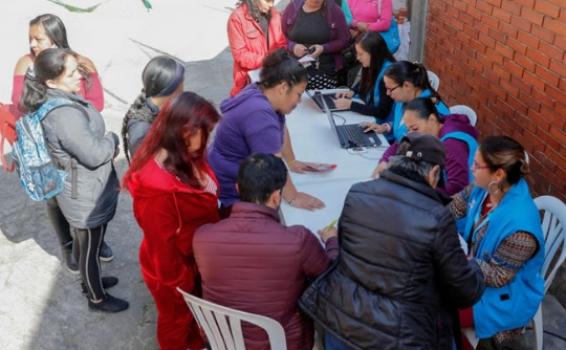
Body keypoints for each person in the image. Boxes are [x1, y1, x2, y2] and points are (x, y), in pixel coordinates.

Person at [300, 133, 485, 349]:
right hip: (399, 336)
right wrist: (474, 267)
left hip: (341, 322)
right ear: (434, 172)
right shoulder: (436, 217)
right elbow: (464, 291)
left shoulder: (358, 193)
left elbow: (346, 253)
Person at [194, 153, 338, 350]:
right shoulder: (297, 240)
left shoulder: (202, 237)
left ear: (237, 188)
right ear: (276, 196)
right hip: (282, 342)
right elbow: (331, 275)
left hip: (223, 340)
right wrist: (332, 241)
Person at [20, 48, 126, 312]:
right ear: (51, 81)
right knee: (89, 246)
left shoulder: (58, 99)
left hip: (79, 187)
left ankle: (93, 282)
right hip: (83, 193)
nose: (79, 76)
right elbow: (94, 154)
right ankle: (96, 297)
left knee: (85, 241)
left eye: (76, 69)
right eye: (71, 73)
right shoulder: (64, 115)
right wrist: (112, 140)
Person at [124, 92, 221, 349]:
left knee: (188, 318)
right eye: (204, 132)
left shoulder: (182, 156)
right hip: (174, 271)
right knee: (175, 320)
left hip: (192, 258)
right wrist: (181, 286)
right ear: (184, 132)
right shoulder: (156, 191)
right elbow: (162, 250)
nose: (208, 139)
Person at [449, 136, 544, 350]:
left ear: (499, 174)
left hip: (505, 295)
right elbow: (455, 207)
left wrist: (456, 260)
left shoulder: (521, 228)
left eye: (476, 165)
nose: (471, 168)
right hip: (473, 269)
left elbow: (498, 276)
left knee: (439, 307)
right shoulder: (483, 187)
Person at [208, 48, 328, 215]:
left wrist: (292, 160)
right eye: (298, 94)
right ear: (283, 87)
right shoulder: (260, 115)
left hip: (224, 168)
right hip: (230, 187)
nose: (299, 101)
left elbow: (281, 127)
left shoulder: (263, 92)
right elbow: (273, 165)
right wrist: (293, 196)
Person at [375, 98, 478, 196]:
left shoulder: (452, 144)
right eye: (408, 129)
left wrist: (416, 187)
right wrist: (384, 161)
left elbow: (457, 187)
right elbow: (399, 143)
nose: (411, 134)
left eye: (414, 128)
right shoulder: (436, 124)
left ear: (432, 120)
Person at [12, 14, 104, 116]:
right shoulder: (27, 63)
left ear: (55, 39)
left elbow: (97, 104)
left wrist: (70, 115)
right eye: (30, 39)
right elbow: (18, 102)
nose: (32, 44)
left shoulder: (83, 64)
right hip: (39, 122)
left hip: (78, 120)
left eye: (39, 39)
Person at [363, 60, 450, 142]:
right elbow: (402, 125)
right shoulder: (402, 99)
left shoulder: (435, 111)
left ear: (406, 85)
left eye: (390, 89)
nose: (387, 93)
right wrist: (386, 127)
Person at [121, 56, 185, 162]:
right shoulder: (141, 128)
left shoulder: (165, 108)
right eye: (181, 83)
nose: (183, 88)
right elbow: (147, 167)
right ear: (170, 89)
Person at [282, 0, 350, 89]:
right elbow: (282, 36)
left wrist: (323, 48)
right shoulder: (292, 8)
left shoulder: (334, 11)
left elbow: (344, 40)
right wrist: (293, 46)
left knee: (319, 102)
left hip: (323, 72)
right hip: (294, 71)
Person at [227, 0, 287, 96]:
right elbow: (240, 55)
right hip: (248, 82)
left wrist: (280, 57)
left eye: (273, 1)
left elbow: (281, 42)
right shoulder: (236, 19)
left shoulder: (274, 13)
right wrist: (267, 60)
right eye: (267, 1)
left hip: (272, 77)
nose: (271, 5)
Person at [333, 31, 395, 121]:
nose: (358, 58)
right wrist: (352, 92)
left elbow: (382, 112)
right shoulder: (372, 64)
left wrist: (350, 105)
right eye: (357, 53)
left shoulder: (388, 75)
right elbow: (364, 82)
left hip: (382, 125)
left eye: (361, 54)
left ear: (374, 53)